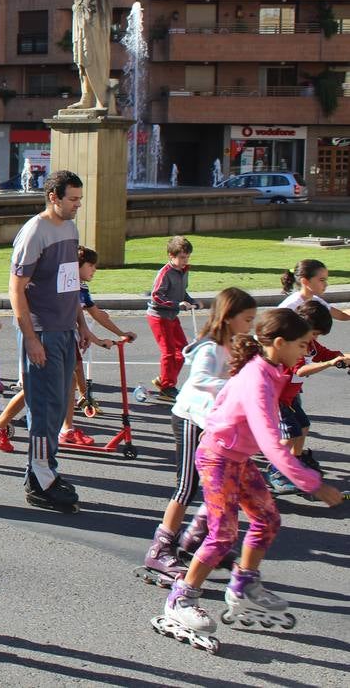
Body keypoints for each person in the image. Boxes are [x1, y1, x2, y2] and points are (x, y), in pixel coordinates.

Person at [153, 309, 342, 652]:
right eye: (302, 344)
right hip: (218, 458)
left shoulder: (272, 369)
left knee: (267, 518)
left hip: (236, 458)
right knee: (222, 534)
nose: (307, 350)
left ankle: (242, 586)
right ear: (280, 343)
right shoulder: (258, 377)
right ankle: (180, 599)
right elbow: (270, 441)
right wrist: (311, 482)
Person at [140, 288, 257, 582]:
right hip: (191, 418)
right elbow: (201, 379)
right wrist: (233, 384)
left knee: (221, 482)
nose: (251, 325)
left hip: (212, 422)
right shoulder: (211, 347)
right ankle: (160, 549)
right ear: (229, 317)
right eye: (247, 318)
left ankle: (193, 539)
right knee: (187, 485)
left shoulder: (236, 343)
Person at [0, 245, 131, 450]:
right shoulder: (59, 281)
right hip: (44, 333)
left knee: (69, 380)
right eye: (91, 265)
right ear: (77, 266)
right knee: (35, 385)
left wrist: (114, 334)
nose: (94, 270)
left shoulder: (80, 287)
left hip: (64, 335)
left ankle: (67, 429)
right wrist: (92, 335)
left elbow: (91, 312)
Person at [9, 169, 84, 514]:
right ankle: (39, 480)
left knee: (58, 406)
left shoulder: (69, 227)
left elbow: (70, 283)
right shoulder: (34, 231)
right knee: (43, 407)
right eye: (73, 199)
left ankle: (45, 469)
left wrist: (80, 323)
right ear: (53, 197)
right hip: (41, 332)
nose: (77, 205)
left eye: (79, 199)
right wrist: (30, 338)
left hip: (65, 330)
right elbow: (16, 290)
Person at [266, 301, 348, 495]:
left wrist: (342, 357)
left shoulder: (310, 344)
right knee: (289, 435)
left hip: (291, 397)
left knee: (303, 426)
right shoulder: (296, 344)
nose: (315, 338)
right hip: (278, 397)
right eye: (315, 333)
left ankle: (295, 461)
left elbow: (326, 354)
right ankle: (276, 472)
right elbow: (301, 370)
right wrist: (330, 363)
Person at [147, 236, 200, 400]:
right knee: (169, 352)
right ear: (171, 256)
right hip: (159, 316)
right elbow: (156, 296)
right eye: (182, 257)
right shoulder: (165, 273)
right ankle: (167, 387)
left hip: (171, 315)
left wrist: (191, 301)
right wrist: (178, 304)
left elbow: (182, 292)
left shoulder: (184, 271)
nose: (185, 260)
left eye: (187, 257)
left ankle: (165, 380)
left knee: (183, 350)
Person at [277, 258, 349, 321]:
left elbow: (341, 315)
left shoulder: (315, 300)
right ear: (305, 281)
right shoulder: (290, 307)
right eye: (322, 280)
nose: (326, 284)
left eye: (326, 280)